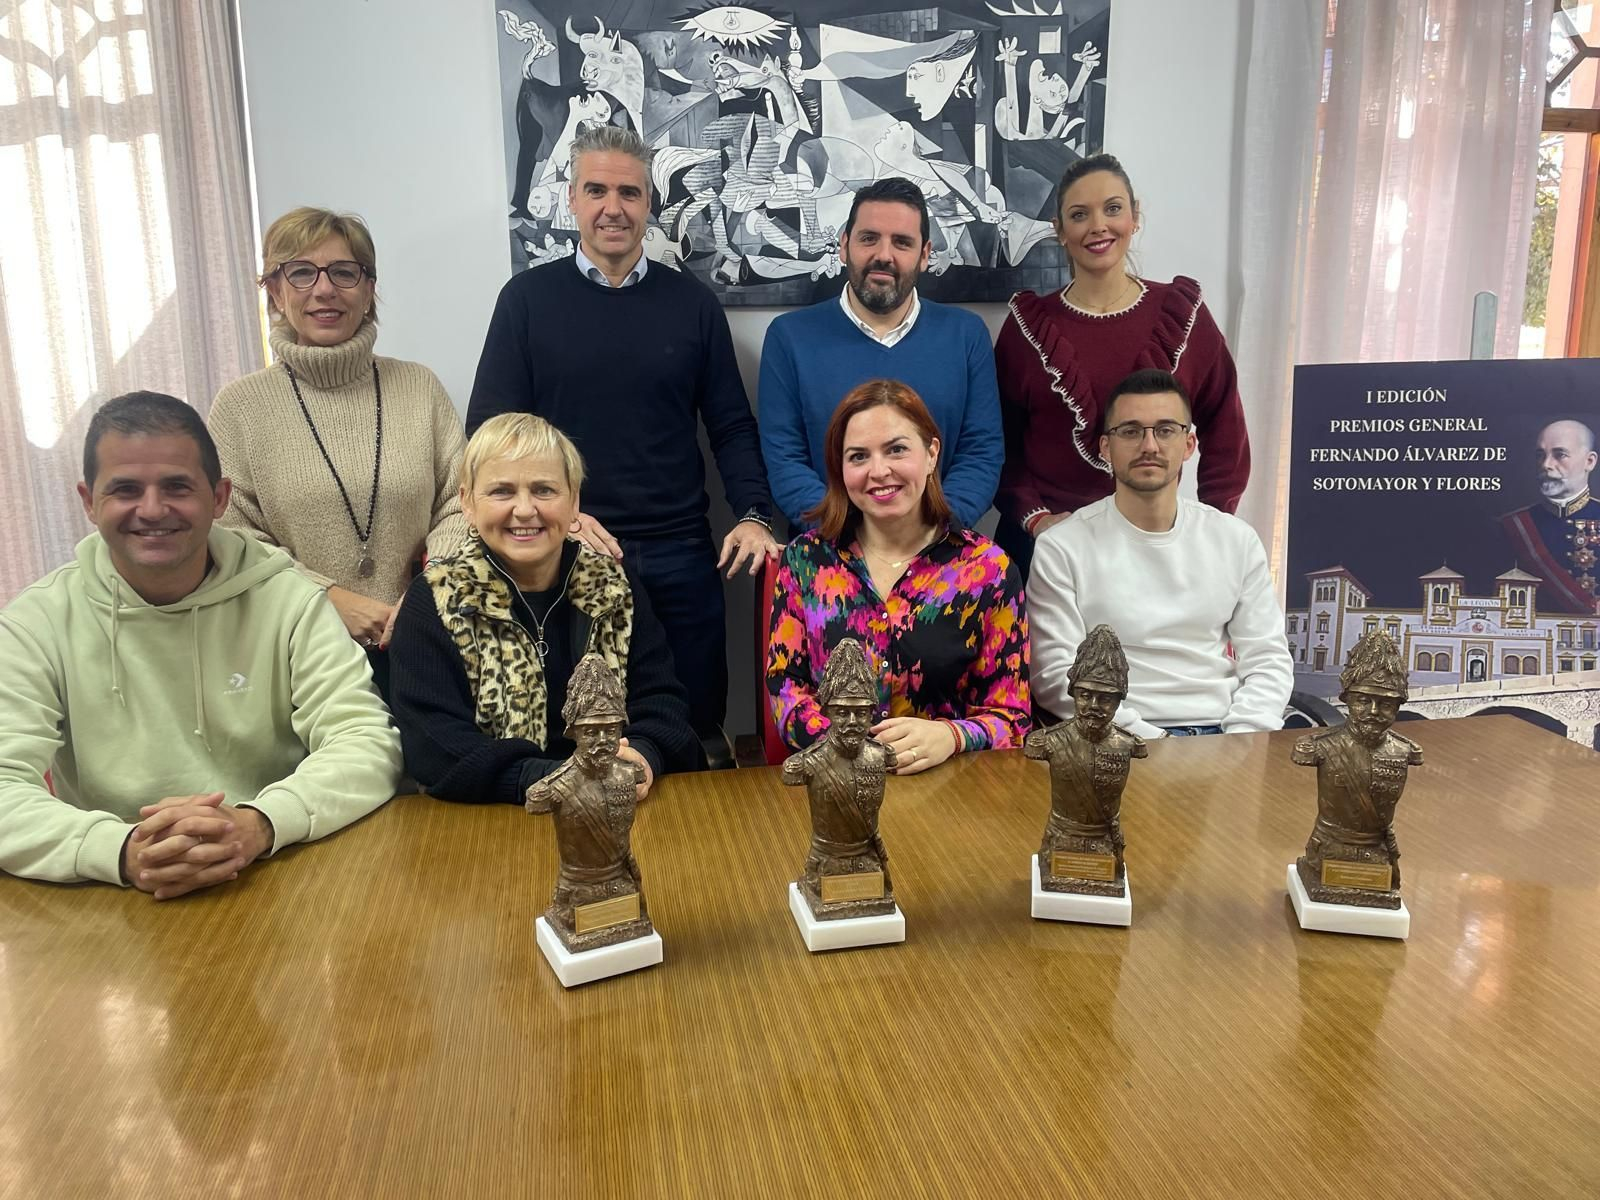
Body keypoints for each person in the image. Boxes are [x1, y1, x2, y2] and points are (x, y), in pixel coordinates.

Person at [0, 392, 401, 896]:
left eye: (176, 486)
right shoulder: (36, 621)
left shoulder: (290, 601)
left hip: (277, 873)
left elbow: (366, 742)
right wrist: (122, 850)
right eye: (125, 489)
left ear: (218, 498)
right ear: (88, 501)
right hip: (108, 893)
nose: (151, 509)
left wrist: (259, 823)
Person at [467, 124, 777, 751]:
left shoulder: (692, 304)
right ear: (573, 200)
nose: (614, 208)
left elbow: (732, 426)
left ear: (650, 203)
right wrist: (564, 518)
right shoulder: (525, 300)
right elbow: (490, 434)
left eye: (630, 193)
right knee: (576, 735)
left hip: (681, 555)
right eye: (597, 190)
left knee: (691, 728)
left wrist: (753, 514)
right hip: (563, 548)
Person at [209, 207, 467, 695]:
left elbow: (462, 500)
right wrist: (325, 598)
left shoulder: (419, 386)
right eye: (301, 272)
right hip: (299, 656)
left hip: (426, 645)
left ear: (368, 290)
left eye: (344, 272)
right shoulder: (239, 406)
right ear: (274, 291)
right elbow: (232, 538)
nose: (324, 290)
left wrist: (423, 598)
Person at [388, 413, 701, 806]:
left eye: (544, 490)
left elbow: (663, 703)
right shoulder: (433, 601)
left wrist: (643, 755)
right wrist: (556, 779)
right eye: (502, 491)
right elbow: (434, 747)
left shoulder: (615, 587)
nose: (524, 510)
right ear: (467, 503)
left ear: (575, 501)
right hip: (492, 820)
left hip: (619, 804)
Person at [994, 152, 1250, 579]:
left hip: (1154, 547)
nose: (1098, 225)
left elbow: (1226, 429)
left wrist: (1211, 526)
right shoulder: (1026, 328)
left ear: (1135, 217)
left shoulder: (1183, 316)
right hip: (1045, 546)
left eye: (1112, 209)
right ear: (1059, 231)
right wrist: (1036, 518)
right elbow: (1001, 442)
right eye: (1079, 214)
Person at [766, 379, 1030, 772]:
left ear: (931, 454)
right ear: (840, 469)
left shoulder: (987, 570)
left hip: (951, 787)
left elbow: (1012, 717)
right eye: (858, 456)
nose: (878, 471)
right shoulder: (806, 561)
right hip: (833, 782)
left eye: (896, 450)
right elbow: (786, 691)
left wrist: (952, 736)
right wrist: (856, 747)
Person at [1029, 369, 1291, 738]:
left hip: (1226, 735)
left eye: (1165, 430)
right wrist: (1153, 742)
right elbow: (1055, 677)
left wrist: (1244, 737)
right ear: (1105, 447)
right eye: (1131, 431)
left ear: (1188, 444)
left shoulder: (1236, 540)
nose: (1149, 445)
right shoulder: (1063, 547)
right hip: (1114, 743)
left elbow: (1268, 659)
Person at [758, 177, 1002, 530]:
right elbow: (784, 458)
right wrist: (851, 539)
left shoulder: (966, 335)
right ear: (844, 246)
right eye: (869, 238)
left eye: (902, 242)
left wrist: (931, 533)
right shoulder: (789, 337)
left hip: (939, 552)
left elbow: (981, 452)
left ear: (924, 255)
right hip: (829, 551)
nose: (883, 256)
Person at [1501, 418, 1600, 613]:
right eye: (1540, 455)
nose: (1546, 464)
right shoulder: (1512, 527)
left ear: (1589, 461)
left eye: (1560, 454)